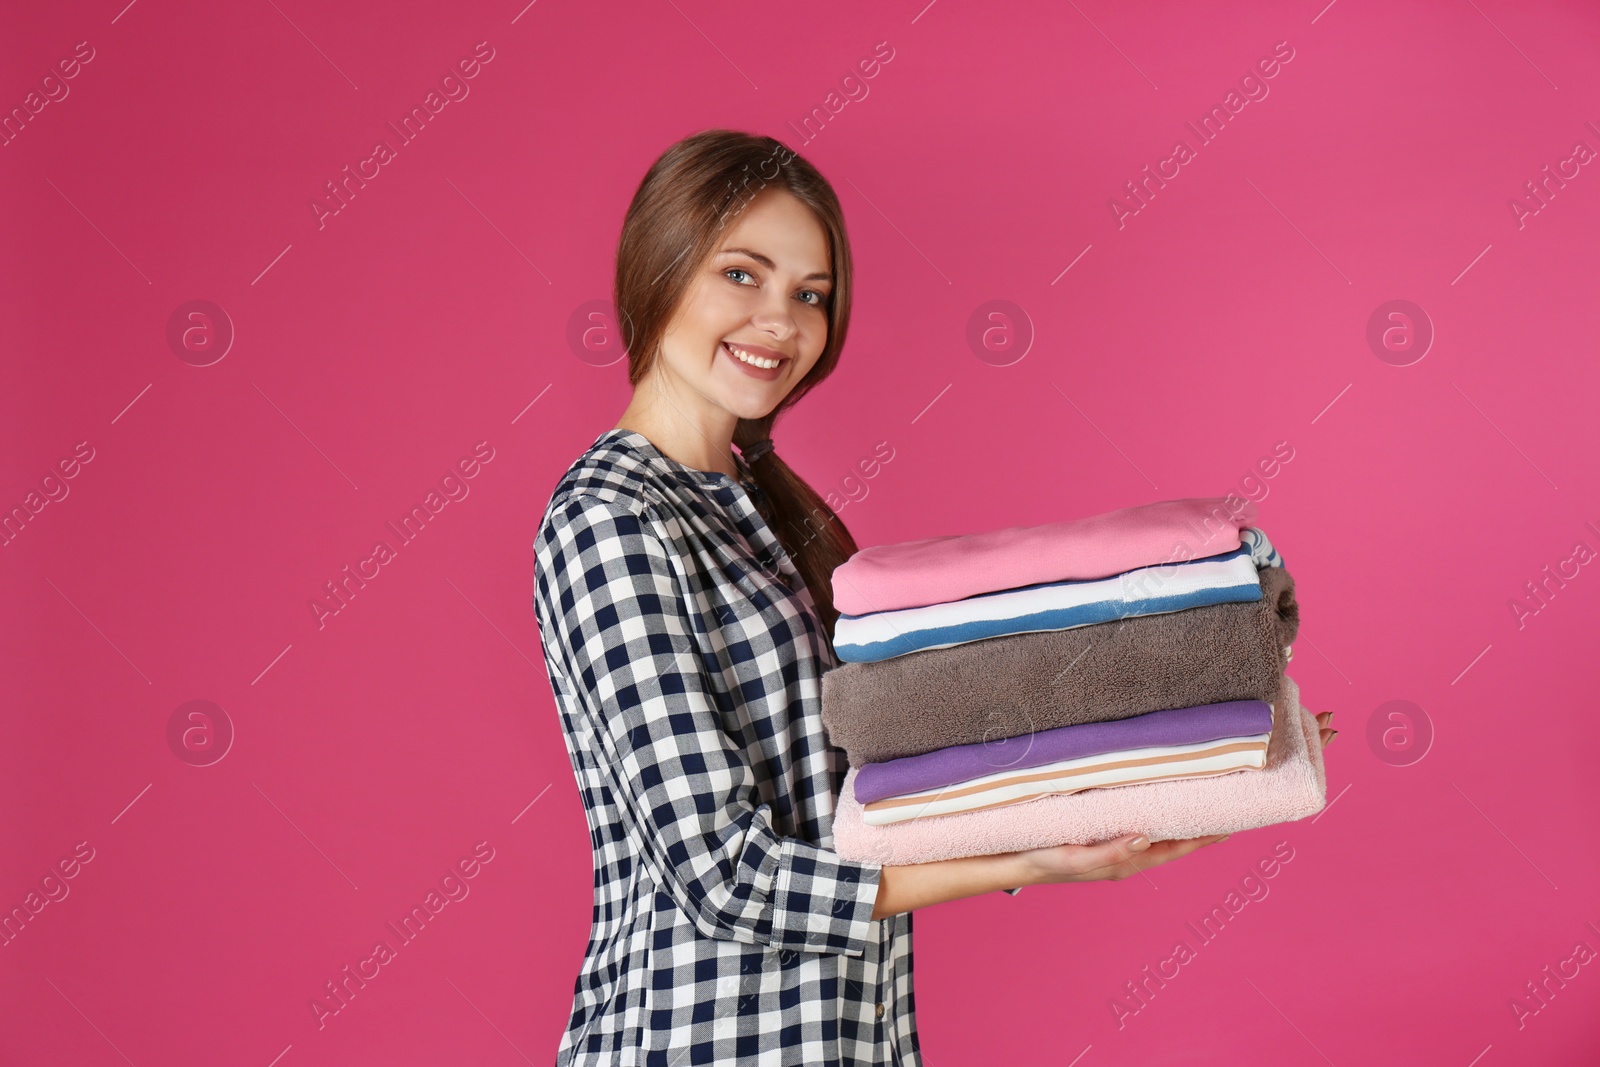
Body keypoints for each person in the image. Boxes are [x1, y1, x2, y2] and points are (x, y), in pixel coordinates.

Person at [531, 128, 1336, 1066]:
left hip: (849, 1030)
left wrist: (1144, 777)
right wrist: (1031, 858)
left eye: (810, 295)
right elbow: (723, 875)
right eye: (742, 275)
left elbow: (866, 789)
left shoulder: (761, 507)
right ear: (657, 267)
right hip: (699, 1036)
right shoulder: (611, 519)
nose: (780, 322)